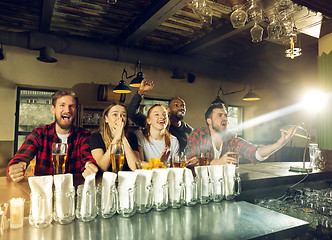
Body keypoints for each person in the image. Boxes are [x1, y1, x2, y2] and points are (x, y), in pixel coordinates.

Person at [7, 90, 98, 182]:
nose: (67, 110)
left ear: (76, 110)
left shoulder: (84, 135)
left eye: (72, 106)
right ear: (53, 109)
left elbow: (87, 158)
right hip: (44, 191)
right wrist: (15, 168)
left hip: (72, 191)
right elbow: (19, 158)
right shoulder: (40, 134)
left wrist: (90, 166)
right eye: (62, 105)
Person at [185, 103, 298, 166]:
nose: (225, 118)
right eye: (220, 115)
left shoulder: (232, 139)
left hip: (225, 190)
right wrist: (216, 162)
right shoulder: (199, 134)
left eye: (226, 115)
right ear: (209, 121)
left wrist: (279, 144)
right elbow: (188, 161)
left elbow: (255, 153)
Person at [128, 79, 193, 154]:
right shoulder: (157, 124)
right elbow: (133, 113)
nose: (180, 108)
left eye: (182, 106)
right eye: (176, 105)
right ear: (168, 110)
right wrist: (140, 92)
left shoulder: (190, 130)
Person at [89, 102, 139, 172]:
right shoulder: (96, 137)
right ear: (106, 119)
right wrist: (116, 138)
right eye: (115, 114)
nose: (120, 118)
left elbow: (135, 167)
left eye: (123, 115)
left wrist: (123, 137)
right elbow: (102, 167)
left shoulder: (132, 137)